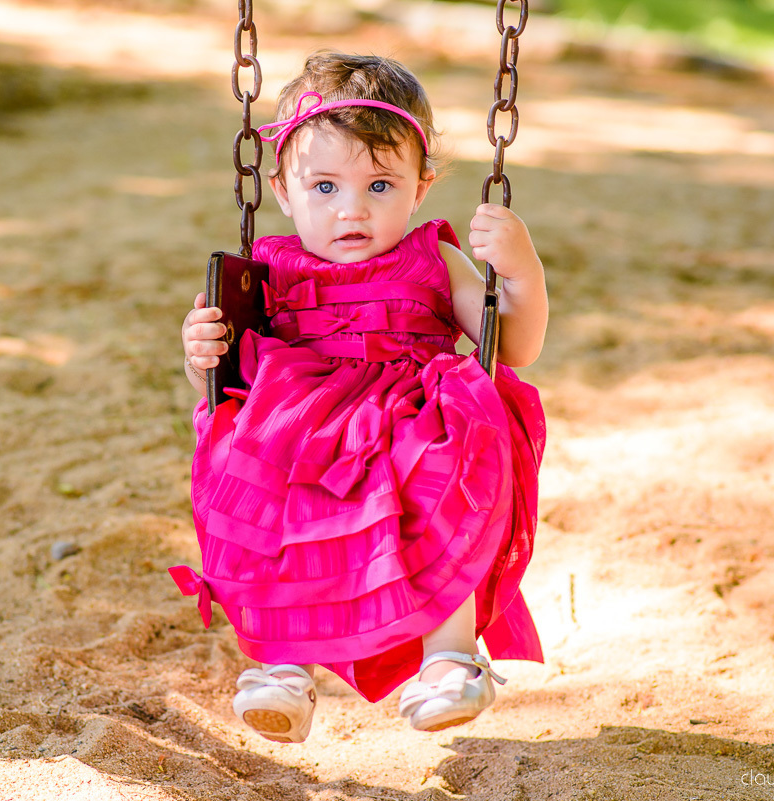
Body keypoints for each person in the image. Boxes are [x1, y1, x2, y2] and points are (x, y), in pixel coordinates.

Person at [174, 52, 547, 743]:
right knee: (252, 477)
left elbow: (514, 346)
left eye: (380, 184)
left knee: (447, 472)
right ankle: (279, 666)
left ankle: (448, 659)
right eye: (324, 186)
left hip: (410, 416)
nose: (352, 209)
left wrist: (520, 269)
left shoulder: (434, 259)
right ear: (282, 190)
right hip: (302, 424)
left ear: (421, 186)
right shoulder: (273, 274)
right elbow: (231, 380)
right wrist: (202, 351)